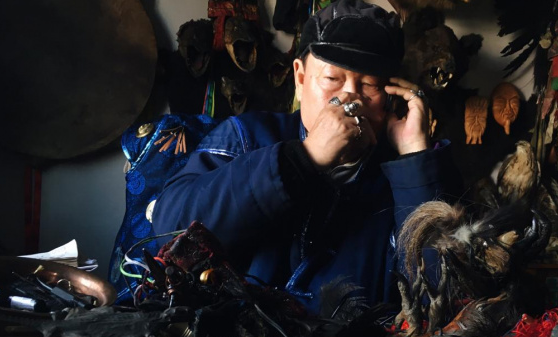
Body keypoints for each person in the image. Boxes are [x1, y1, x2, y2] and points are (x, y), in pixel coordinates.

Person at [152, 0, 462, 315]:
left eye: (370, 84)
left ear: (391, 95)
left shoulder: (408, 171)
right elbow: (169, 231)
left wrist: (415, 156)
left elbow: (441, 300)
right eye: (332, 79)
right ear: (300, 79)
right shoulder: (246, 136)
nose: (349, 99)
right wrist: (303, 159)